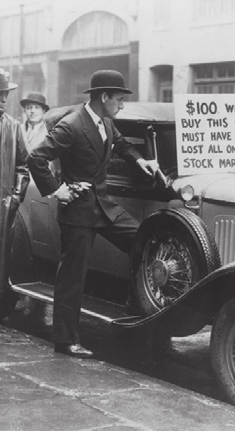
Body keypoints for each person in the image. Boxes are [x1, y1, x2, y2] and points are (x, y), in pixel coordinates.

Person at [27, 70, 158, 358]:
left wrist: (142, 161)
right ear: (103, 97)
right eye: (119, 99)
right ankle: (65, 340)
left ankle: (134, 312)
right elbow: (36, 158)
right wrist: (57, 190)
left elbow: (121, 146)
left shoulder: (106, 123)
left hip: (104, 207)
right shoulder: (72, 125)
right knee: (72, 277)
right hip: (77, 211)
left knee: (143, 241)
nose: (121, 104)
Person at [0, 68, 29, 305]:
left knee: (2, 256)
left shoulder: (14, 127)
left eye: (4, 95)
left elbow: (23, 166)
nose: (2, 100)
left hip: (4, 204)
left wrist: (16, 197)